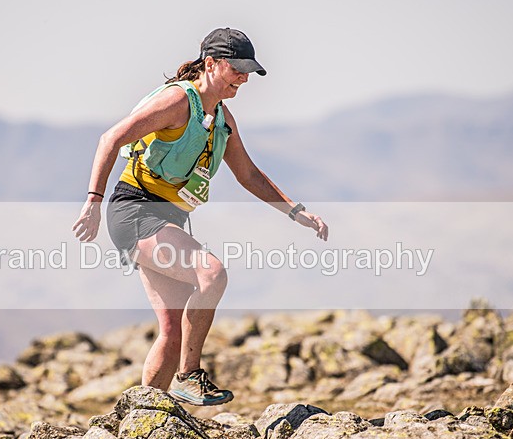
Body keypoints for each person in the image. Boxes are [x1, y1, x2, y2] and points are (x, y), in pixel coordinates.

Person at [72, 27, 328, 406]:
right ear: (210, 64)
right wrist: (93, 200)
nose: (243, 77)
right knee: (211, 272)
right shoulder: (177, 103)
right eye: (236, 69)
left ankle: (143, 416)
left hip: (166, 219)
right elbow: (111, 139)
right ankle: (189, 376)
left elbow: (250, 175)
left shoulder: (223, 119)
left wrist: (295, 210)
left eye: (248, 71)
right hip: (134, 211)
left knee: (172, 331)